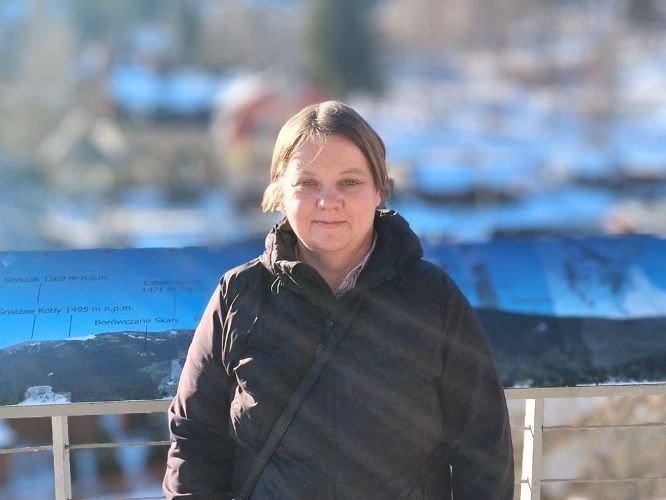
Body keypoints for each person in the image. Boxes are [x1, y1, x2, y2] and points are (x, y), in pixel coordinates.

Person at [163, 100, 514, 499]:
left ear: (380, 190)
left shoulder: (434, 299)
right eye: (307, 183)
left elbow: (483, 447)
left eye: (349, 183)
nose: (328, 201)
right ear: (280, 193)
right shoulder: (238, 296)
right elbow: (195, 439)